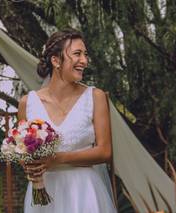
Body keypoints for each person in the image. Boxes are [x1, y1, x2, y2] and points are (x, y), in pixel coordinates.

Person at [17, 29, 117, 212]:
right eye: (77, 54)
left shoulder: (95, 97)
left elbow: (105, 151)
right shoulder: (27, 103)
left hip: (84, 192)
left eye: (85, 55)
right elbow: (23, 154)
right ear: (56, 60)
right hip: (44, 195)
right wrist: (29, 164)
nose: (84, 61)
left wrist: (58, 159)